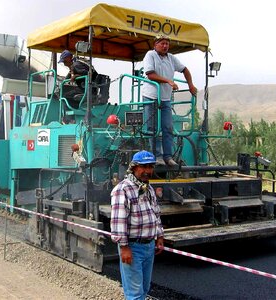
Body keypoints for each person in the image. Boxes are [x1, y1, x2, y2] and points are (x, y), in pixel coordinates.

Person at [111, 150, 164, 300]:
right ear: (134, 168)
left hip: (149, 247)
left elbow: (155, 213)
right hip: (133, 248)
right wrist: (124, 247)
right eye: (143, 167)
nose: (148, 171)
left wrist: (159, 235)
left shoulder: (148, 188)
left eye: (150, 167)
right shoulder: (123, 190)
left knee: (144, 289)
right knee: (134, 294)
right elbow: (118, 221)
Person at [142, 34, 198, 166]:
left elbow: (185, 70)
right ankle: (157, 156)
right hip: (151, 96)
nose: (165, 46)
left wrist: (190, 85)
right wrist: (168, 81)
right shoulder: (150, 55)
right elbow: (150, 75)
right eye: (162, 43)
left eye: (167, 43)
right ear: (155, 44)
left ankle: (168, 157)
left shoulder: (171, 58)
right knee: (152, 128)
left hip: (165, 98)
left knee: (168, 127)